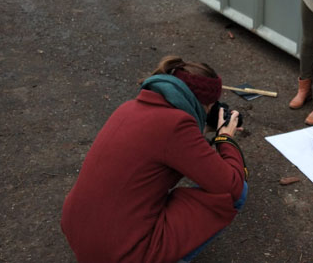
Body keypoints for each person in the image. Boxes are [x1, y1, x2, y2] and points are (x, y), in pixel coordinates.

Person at [61, 56, 247, 263]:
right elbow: (232, 186)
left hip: (80, 233)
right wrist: (225, 138)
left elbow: (164, 144)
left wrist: (200, 128)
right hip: (120, 253)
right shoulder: (177, 126)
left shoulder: (129, 107)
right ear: (202, 105)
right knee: (235, 192)